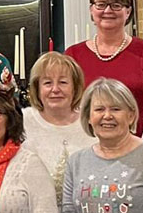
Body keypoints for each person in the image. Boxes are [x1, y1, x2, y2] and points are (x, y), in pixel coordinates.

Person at [65, 0, 143, 136]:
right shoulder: (73, 55)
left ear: (128, 12)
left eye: (116, 5)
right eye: (101, 5)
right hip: (88, 147)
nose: (108, 10)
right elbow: (66, 107)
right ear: (91, 10)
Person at [61, 78, 143, 212]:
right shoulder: (76, 162)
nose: (107, 116)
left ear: (131, 115)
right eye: (99, 109)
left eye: (115, 109)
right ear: (88, 117)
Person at [20, 52, 97, 199]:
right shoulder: (22, 121)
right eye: (47, 83)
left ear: (75, 88)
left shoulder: (92, 120)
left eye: (63, 82)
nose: (55, 89)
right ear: (37, 89)